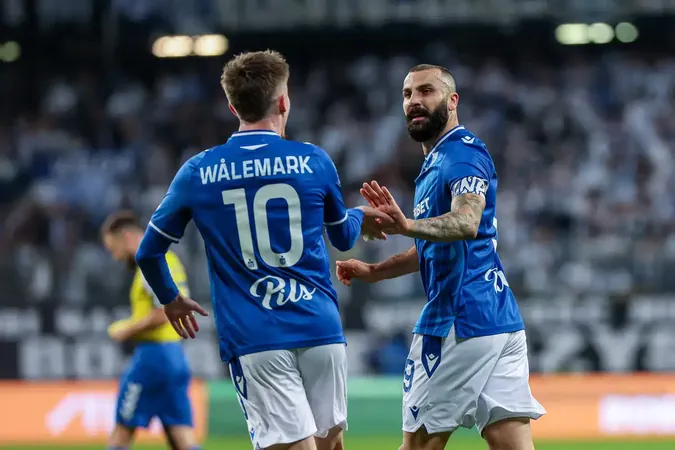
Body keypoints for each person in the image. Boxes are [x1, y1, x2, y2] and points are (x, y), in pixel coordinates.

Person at [134, 50, 392, 450]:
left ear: (232, 106)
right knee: (330, 444)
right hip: (320, 328)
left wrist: (170, 299)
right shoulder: (314, 161)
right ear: (284, 101)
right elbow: (342, 238)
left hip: (255, 334)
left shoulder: (199, 171)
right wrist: (360, 215)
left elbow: (149, 252)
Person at [336, 64, 546, 450]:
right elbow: (435, 245)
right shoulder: (436, 163)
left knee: (417, 446)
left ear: (452, 101)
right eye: (407, 94)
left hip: (458, 320)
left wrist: (406, 225)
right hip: (498, 320)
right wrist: (375, 271)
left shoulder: (460, 156)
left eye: (426, 91)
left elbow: (467, 221)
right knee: (511, 442)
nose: (414, 101)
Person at [100, 210, 200, 450]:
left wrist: (127, 329)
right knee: (181, 436)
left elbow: (165, 312)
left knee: (121, 432)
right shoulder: (169, 260)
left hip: (153, 358)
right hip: (175, 357)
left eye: (113, 248)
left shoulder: (150, 263)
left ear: (126, 237)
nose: (115, 256)